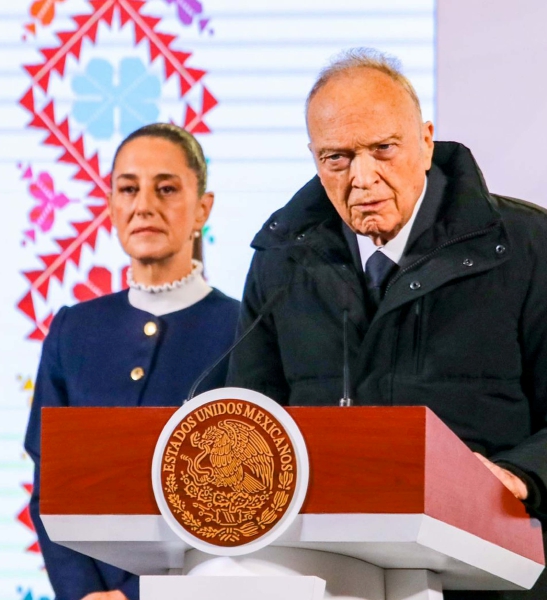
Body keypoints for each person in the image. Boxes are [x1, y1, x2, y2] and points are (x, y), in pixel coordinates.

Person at [227, 48, 547, 598]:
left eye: (383, 149)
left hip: (493, 570)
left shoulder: (527, 247)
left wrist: (520, 474)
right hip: (325, 567)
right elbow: (250, 420)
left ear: (425, 141)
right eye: (337, 158)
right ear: (314, 158)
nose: (363, 177)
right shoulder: (282, 260)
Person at [25, 123, 240, 600]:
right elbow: (50, 487)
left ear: (203, 208)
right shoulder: (72, 330)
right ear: (111, 206)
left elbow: (245, 500)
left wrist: (138, 595)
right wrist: (82, 592)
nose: (144, 205)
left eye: (166, 188)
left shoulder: (244, 331)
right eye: (128, 189)